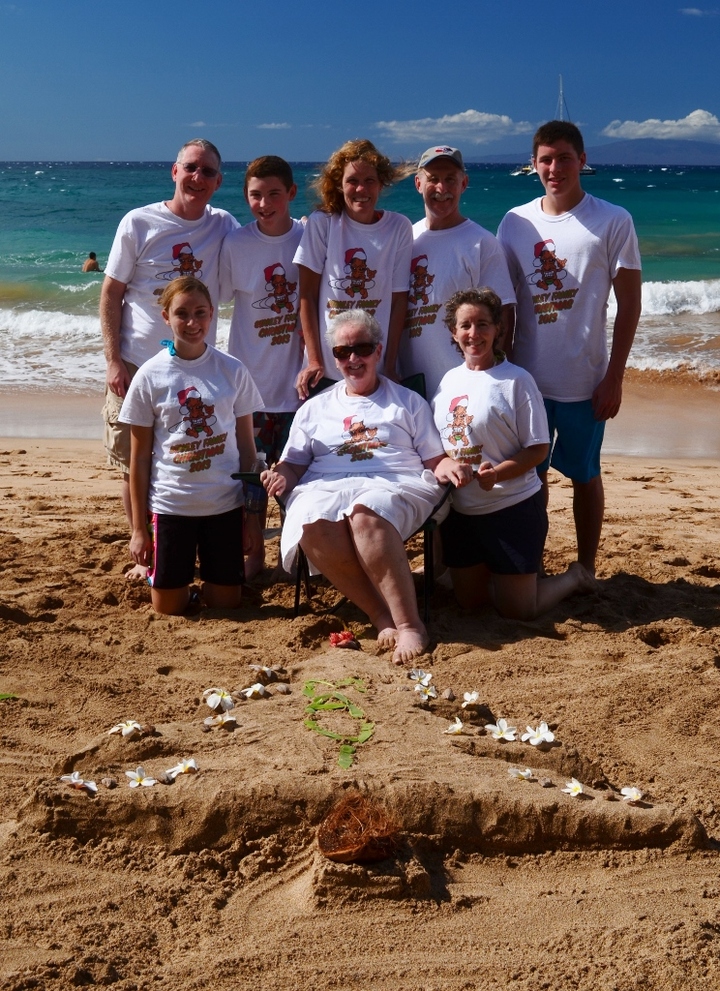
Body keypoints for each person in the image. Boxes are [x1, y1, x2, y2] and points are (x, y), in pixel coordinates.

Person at [261, 309, 466, 666]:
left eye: (362, 349)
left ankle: (410, 624)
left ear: (378, 351)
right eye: (343, 352)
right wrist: (280, 475)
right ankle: (381, 616)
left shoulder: (407, 402)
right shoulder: (314, 409)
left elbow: (434, 458)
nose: (353, 358)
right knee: (309, 518)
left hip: (396, 481)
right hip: (327, 483)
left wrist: (449, 464)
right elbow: (293, 463)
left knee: (366, 509)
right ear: (334, 358)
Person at [497, 121, 642, 575]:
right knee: (528, 480)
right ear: (533, 164)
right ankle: (532, 566)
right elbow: (506, 304)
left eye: (563, 157)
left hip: (586, 380)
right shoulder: (515, 222)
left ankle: (585, 568)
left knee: (584, 474)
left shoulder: (612, 219)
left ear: (582, 160)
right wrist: (497, 371)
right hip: (527, 381)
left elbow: (631, 304)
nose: (554, 168)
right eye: (545, 159)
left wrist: (615, 377)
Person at [100, 138, 237, 580]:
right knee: (132, 463)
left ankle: (181, 541)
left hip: (196, 366)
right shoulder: (139, 222)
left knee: (187, 456)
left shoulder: (223, 225)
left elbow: (271, 233)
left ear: (218, 182)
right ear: (174, 171)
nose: (199, 178)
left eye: (209, 172)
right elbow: (111, 293)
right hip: (137, 366)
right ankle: (146, 549)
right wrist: (113, 360)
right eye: (192, 168)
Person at [432, 288, 597, 619]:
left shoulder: (516, 381)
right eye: (465, 325)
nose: (473, 334)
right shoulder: (447, 381)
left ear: (497, 329)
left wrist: (499, 474)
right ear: (453, 332)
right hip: (463, 514)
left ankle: (574, 576)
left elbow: (538, 449)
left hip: (512, 508)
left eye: (483, 324)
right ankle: (502, 576)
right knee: (470, 602)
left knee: (520, 608)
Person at [118, 276, 263, 616]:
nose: (192, 323)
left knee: (227, 604)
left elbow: (248, 450)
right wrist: (139, 530)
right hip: (171, 507)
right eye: (182, 314)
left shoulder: (232, 370)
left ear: (212, 314)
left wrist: (253, 521)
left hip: (224, 507)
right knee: (168, 609)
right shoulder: (150, 376)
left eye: (200, 313)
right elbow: (138, 461)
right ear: (166, 317)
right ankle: (180, 588)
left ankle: (210, 586)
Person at [219, 156, 304, 579]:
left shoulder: (308, 237)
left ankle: (292, 563)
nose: (264, 203)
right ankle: (253, 560)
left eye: (274, 193)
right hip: (247, 388)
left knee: (294, 480)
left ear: (291, 193)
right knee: (250, 481)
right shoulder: (236, 243)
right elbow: (212, 301)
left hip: (298, 388)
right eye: (255, 194)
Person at [293, 139, 413, 398]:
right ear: (339, 184)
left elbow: (399, 300)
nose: (361, 189)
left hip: (375, 369)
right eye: (352, 181)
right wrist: (315, 361)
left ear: (381, 183)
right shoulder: (323, 223)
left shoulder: (398, 227)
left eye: (370, 180)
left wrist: (390, 364)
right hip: (327, 369)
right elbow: (307, 296)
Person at [399, 145, 515, 396]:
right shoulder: (406, 239)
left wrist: (492, 380)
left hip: (464, 389)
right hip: (409, 389)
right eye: (433, 179)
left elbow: (503, 314)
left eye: (450, 179)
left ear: (464, 183)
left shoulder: (481, 243)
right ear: (418, 184)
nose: (442, 188)